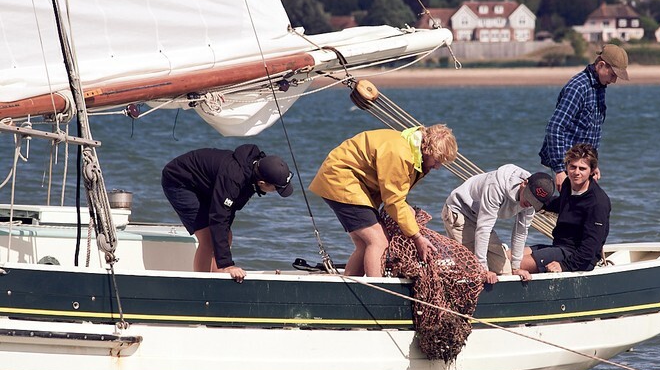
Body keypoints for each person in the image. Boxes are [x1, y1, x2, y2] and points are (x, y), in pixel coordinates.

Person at [309, 125, 458, 277]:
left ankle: (350, 290)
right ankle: (377, 293)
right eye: (438, 160)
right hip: (341, 180)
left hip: (347, 181)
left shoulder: (412, 151)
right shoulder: (401, 154)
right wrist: (417, 237)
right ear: (428, 150)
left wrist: (407, 212)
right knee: (378, 242)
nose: (438, 166)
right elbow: (393, 201)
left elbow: (395, 192)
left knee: (363, 244)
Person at [161, 144, 294, 282]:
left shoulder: (255, 171)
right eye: (276, 188)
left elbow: (227, 211)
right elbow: (218, 217)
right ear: (262, 183)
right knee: (208, 238)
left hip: (205, 185)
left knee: (226, 235)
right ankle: (201, 287)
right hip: (179, 181)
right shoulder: (234, 179)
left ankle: (216, 280)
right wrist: (228, 265)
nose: (276, 192)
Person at [538, 43, 629, 191]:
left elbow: (592, 130)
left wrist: (592, 164)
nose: (614, 81)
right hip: (568, 164)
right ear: (601, 65)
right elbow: (555, 127)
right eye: (613, 75)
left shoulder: (599, 87)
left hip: (583, 164)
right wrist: (560, 170)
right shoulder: (578, 88)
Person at [442, 166, 555, 284]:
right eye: (529, 198)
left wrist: (516, 267)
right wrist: (483, 269)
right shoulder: (496, 186)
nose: (529, 204)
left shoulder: (531, 203)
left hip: (480, 218)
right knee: (473, 270)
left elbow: (521, 231)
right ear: (524, 183)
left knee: (506, 272)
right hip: (460, 211)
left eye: (534, 202)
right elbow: (484, 228)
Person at [520, 143, 610, 274]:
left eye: (582, 168)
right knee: (508, 256)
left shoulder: (598, 203)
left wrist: (564, 266)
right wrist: (532, 197)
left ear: (592, 170)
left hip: (577, 257)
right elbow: (562, 204)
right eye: (572, 167)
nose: (576, 172)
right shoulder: (568, 184)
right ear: (566, 166)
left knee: (515, 264)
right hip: (559, 247)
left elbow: (590, 247)